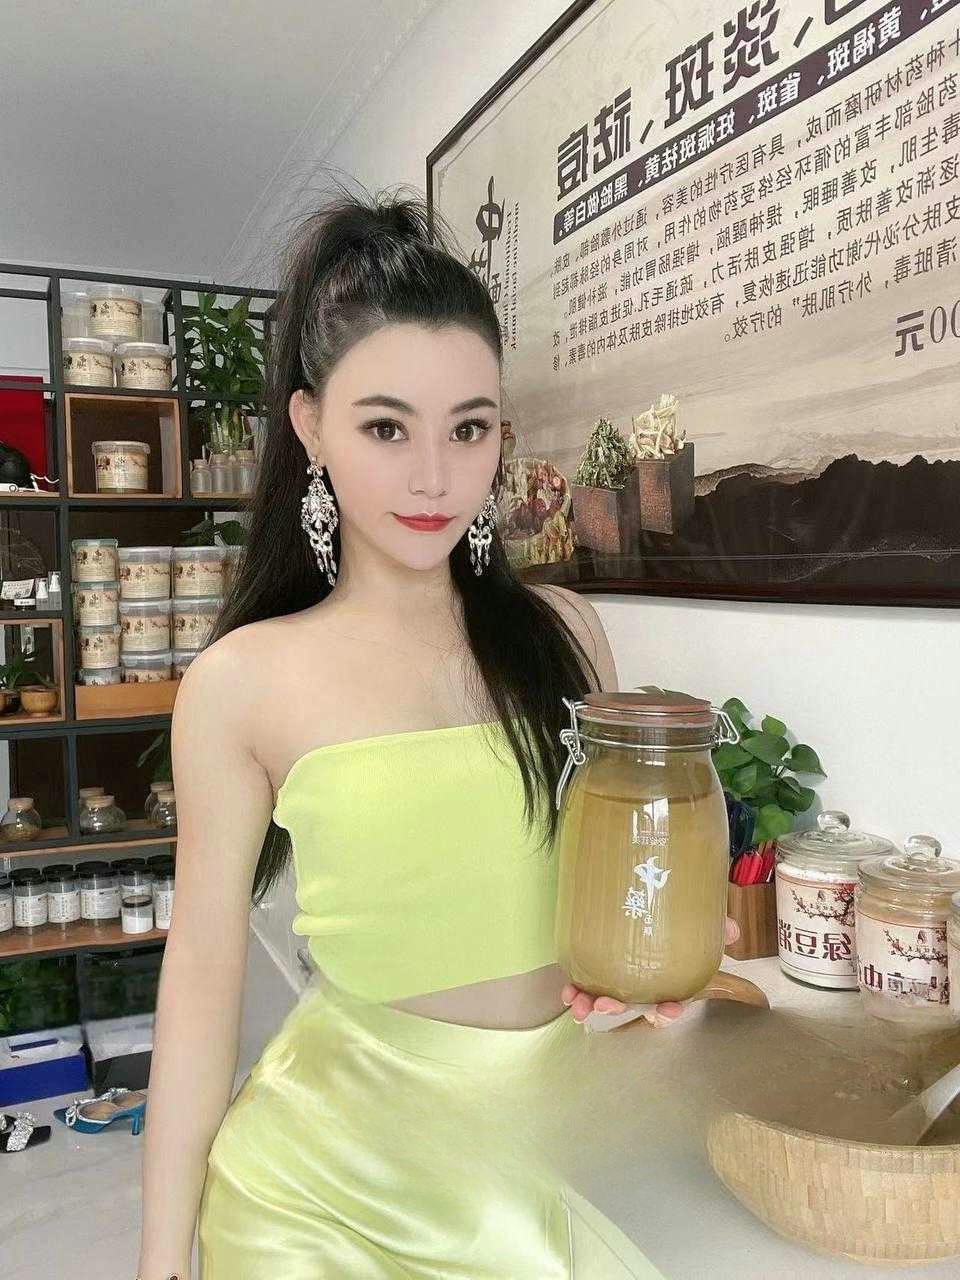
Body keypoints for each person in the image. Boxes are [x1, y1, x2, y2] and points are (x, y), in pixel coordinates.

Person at [135, 181, 739, 1280]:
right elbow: (203, 972)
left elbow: (605, 891)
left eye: (469, 428)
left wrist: (654, 970)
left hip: (549, 1157)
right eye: (385, 427)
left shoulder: (564, 635)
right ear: (311, 427)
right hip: (322, 1194)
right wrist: (160, 1256)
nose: (433, 475)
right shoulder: (243, 680)